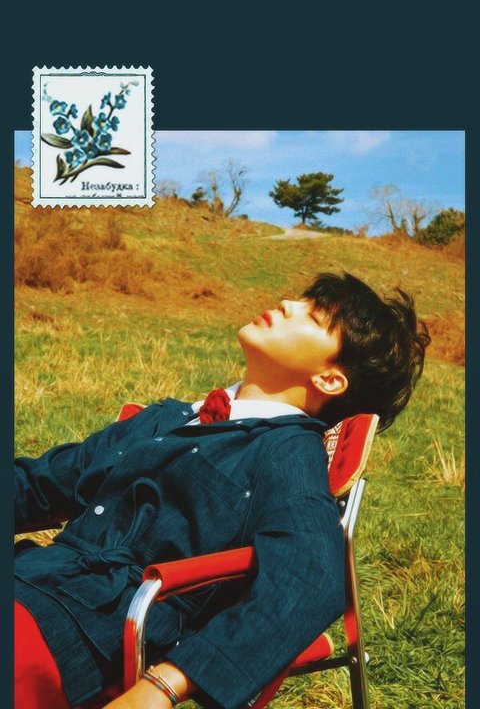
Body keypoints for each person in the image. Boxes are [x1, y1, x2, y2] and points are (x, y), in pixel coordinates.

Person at [15, 272, 430, 709]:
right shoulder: (166, 416)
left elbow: (311, 577)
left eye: (314, 316)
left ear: (329, 379)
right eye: (300, 299)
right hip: (33, 574)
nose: (287, 303)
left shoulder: (286, 452)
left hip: (83, 625)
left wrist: (163, 686)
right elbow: (43, 483)